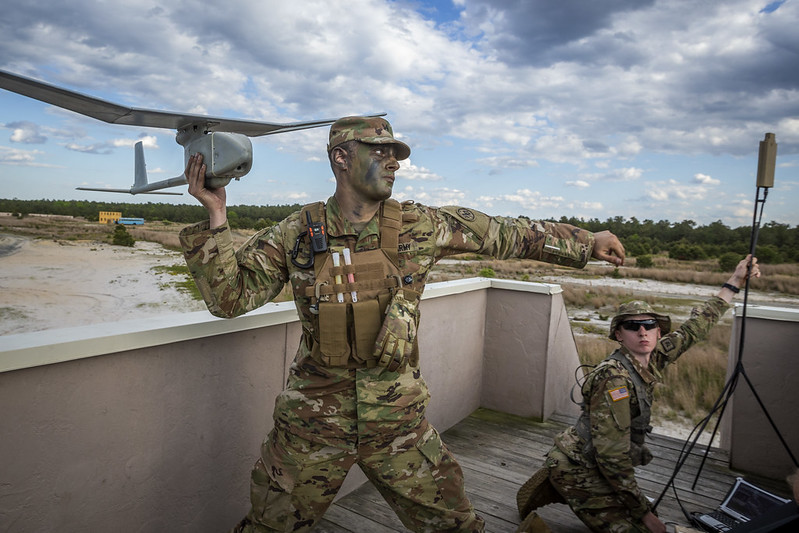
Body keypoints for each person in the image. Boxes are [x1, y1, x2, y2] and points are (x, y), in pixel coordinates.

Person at [179, 115, 626, 533]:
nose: (394, 162)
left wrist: (588, 242)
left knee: (456, 527)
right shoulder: (298, 231)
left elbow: (507, 232)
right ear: (340, 157)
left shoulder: (420, 225)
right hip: (311, 430)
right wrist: (216, 215)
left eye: (395, 154)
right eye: (380, 152)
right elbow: (229, 298)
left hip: (398, 426)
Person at [515, 255, 761, 533]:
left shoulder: (655, 356)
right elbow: (612, 455)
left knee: (643, 515)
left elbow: (697, 326)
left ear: (658, 332)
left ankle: (559, 487)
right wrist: (644, 514)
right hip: (579, 465)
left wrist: (735, 280)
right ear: (619, 335)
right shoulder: (614, 379)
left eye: (649, 325)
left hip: (597, 459)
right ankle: (557, 484)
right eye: (632, 326)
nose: (642, 331)